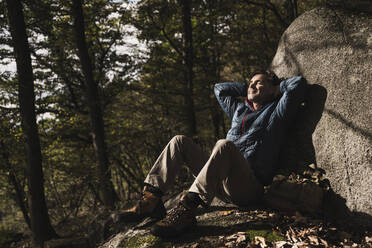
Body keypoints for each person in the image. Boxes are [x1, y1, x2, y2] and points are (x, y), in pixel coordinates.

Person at [117, 70, 307, 237]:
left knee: (224, 145)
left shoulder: (277, 113)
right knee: (179, 141)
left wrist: (275, 88)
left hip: (247, 187)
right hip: (220, 183)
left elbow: (297, 84)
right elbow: (219, 89)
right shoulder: (240, 110)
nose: (252, 84)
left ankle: (187, 210)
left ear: (273, 89)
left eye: (258, 82)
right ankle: (151, 200)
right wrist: (248, 90)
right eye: (250, 82)